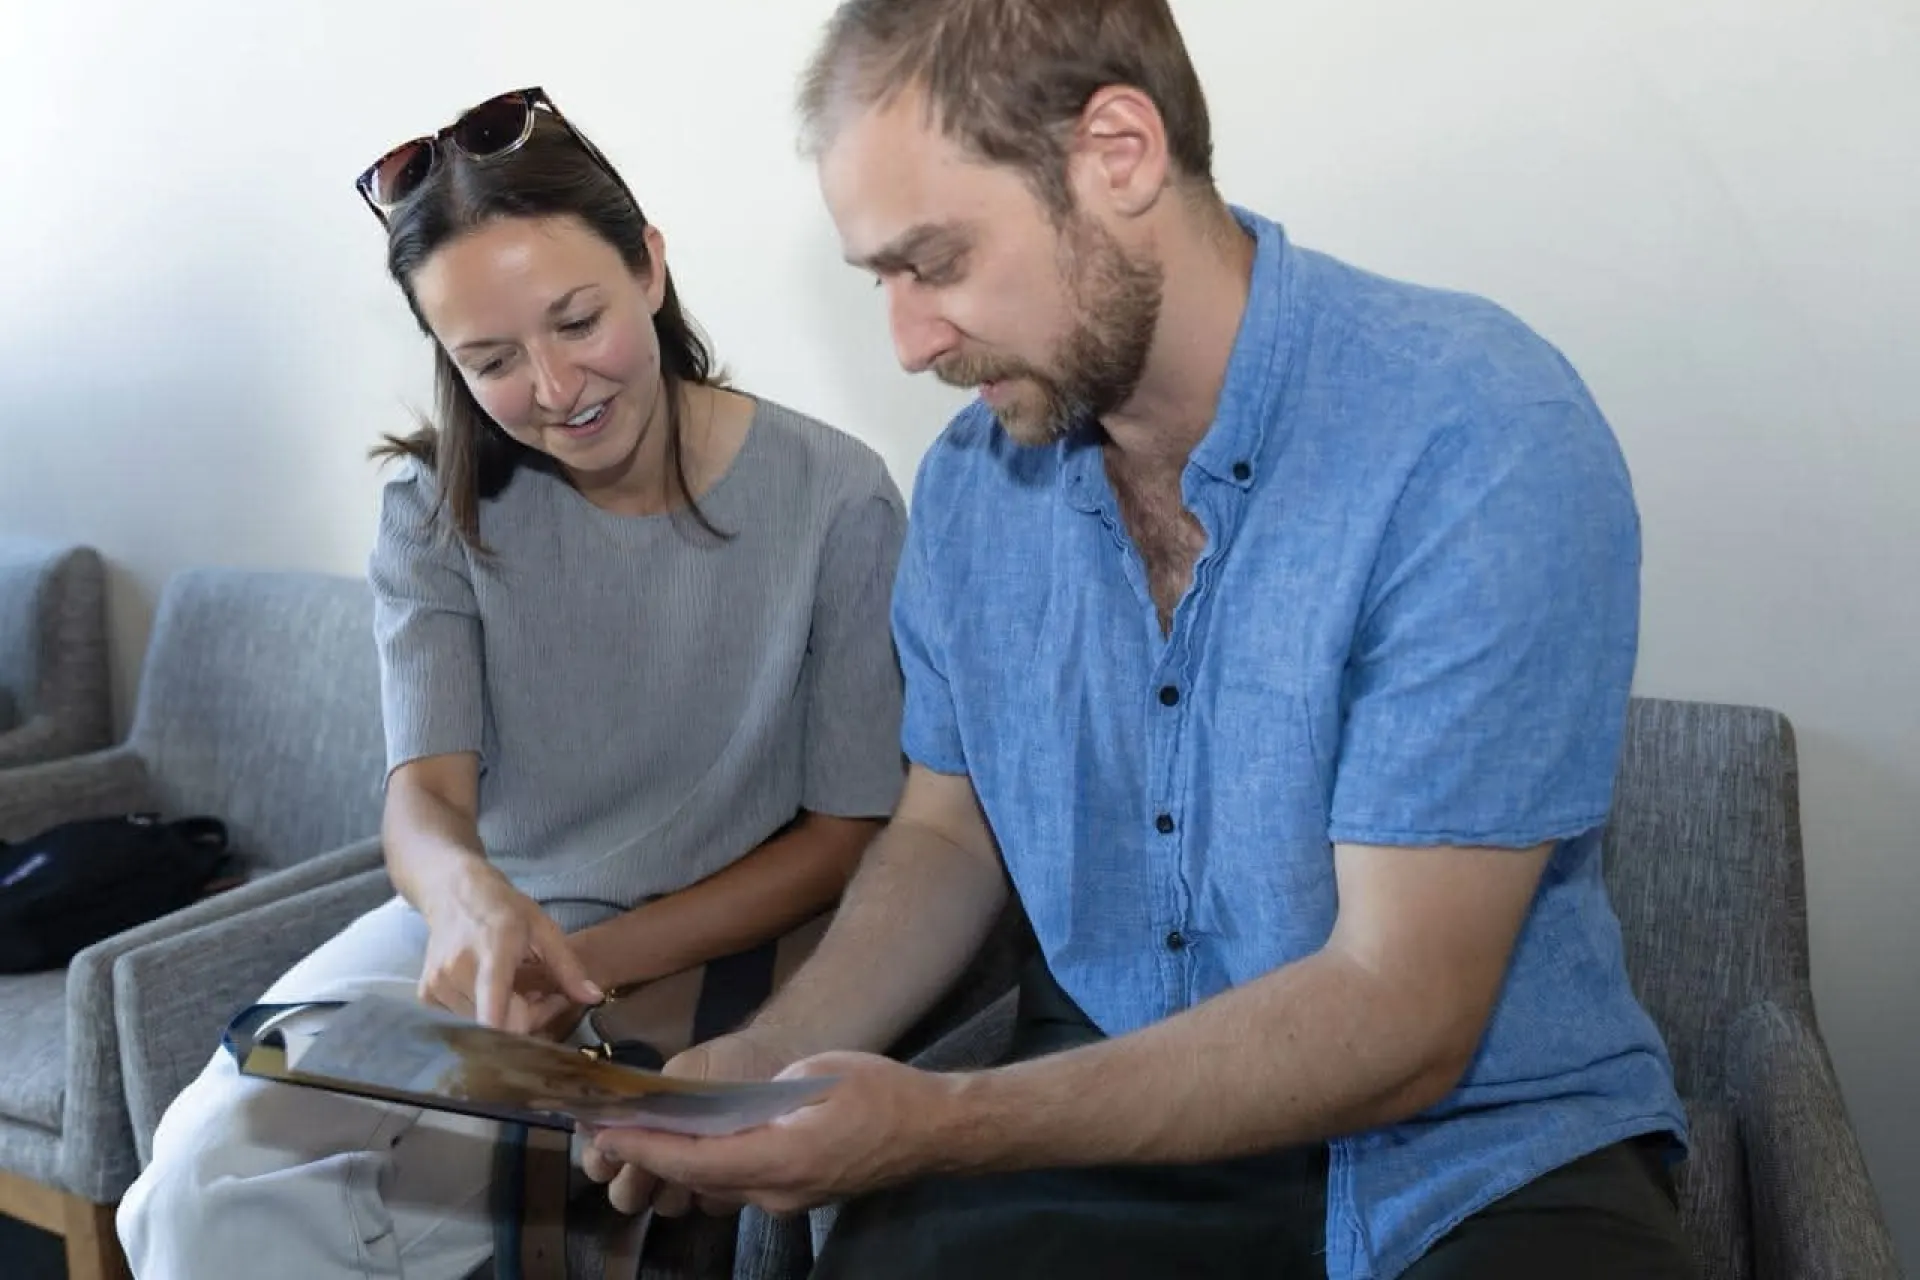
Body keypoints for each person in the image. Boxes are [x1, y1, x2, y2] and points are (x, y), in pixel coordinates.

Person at [583, 3, 1700, 1278]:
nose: (909, 340)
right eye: (879, 278)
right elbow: (948, 833)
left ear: (1118, 153)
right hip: (1109, 1124)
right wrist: (763, 1054)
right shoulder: (971, 489)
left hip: (1476, 1150)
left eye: (935, 262)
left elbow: (1403, 1012)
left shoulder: (1475, 438)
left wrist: (941, 1122)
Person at [116, 86, 907, 1279]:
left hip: (708, 941)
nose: (554, 386)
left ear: (648, 267)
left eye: (577, 321)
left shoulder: (835, 496)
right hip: (481, 936)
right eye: (489, 358)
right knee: (196, 1176)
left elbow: (846, 835)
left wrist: (588, 963)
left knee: (348, 1208)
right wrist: (466, 898)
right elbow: (425, 799)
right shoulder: (432, 509)